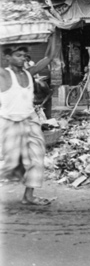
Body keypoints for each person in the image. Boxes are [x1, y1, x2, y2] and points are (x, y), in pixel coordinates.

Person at [0, 36, 59, 205]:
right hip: (8, 121)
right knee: (9, 163)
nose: (23, 58)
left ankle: (28, 195)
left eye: (24, 56)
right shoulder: (4, 74)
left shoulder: (29, 73)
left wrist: (54, 32)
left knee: (37, 157)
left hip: (30, 120)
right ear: (8, 57)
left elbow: (49, 56)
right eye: (18, 55)